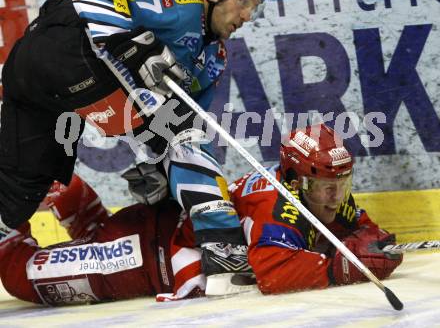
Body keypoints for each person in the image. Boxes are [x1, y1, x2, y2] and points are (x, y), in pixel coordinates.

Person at [0, 0, 271, 288]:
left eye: (254, 9)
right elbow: (87, 0)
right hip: (63, 47)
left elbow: (185, 137)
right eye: (244, 1)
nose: (246, 16)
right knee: (179, 128)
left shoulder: (212, 60)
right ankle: (226, 252)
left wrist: (159, 172)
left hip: (39, 81)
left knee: (18, 191)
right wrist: (134, 43)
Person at [0, 125, 402, 305]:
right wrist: (345, 266)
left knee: (94, 229)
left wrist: (365, 243)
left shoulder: (318, 195)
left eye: (343, 184)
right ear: (296, 180)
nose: (336, 198)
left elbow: (367, 231)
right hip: (137, 258)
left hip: (151, 234)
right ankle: (19, 183)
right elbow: (274, 272)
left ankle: (62, 192)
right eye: (328, 187)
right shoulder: (279, 207)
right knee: (17, 273)